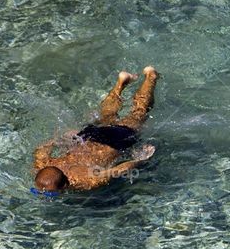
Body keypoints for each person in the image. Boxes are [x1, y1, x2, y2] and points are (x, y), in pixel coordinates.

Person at [32, 66, 158, 194]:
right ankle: (121, 82)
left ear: (65, 185)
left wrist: (141, 159)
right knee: (106, 116)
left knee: (139, 113)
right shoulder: (41, 164)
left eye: (50, 193)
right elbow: (41, 149)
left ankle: (150, 76)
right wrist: (59, 138)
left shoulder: (87, 180)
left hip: (115, 140)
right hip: (88, 136)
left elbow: (119, 170)